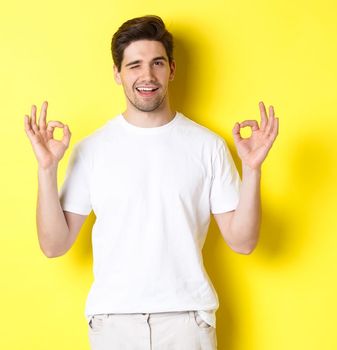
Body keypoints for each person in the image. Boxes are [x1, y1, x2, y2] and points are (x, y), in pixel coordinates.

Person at [23, 15, 279, 350]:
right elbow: (53, 245)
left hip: (187, 321)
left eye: (157, 63)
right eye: (134, 65)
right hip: (114, 323)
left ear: (171, 69)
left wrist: (253, 170)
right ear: (117, 73)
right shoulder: (92, 149)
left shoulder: (208, 146)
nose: (147, 76)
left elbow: (243, 242)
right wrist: (46, 169)